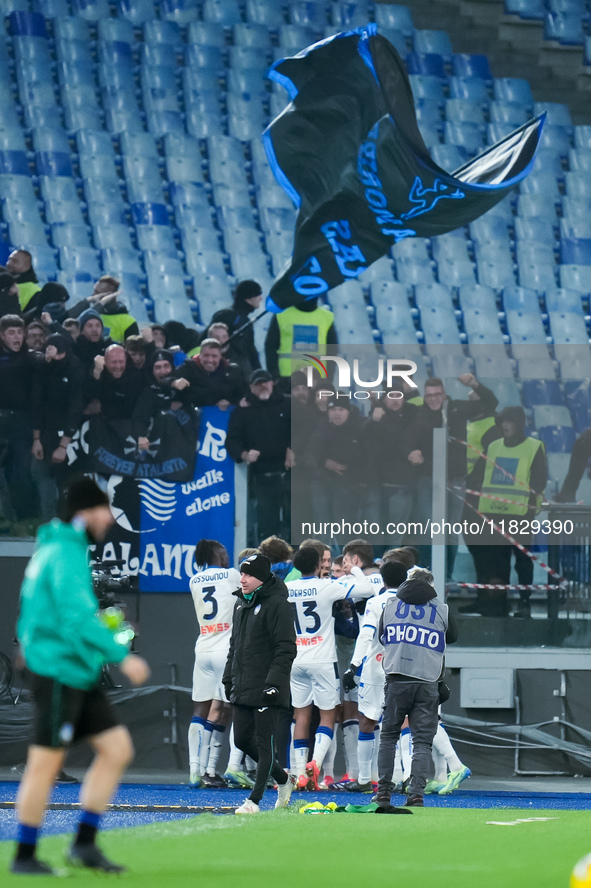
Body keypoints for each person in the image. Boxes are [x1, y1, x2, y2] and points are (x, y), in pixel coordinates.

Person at [11, 477, 150, 875]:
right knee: (44, 764)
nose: (109, 518)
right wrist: (123, 656)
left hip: (74, 669)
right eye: (105, 509)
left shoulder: (55, 548)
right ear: (86, 511)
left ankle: (84, 846)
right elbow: (74, 619)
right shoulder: (65, 553)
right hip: (60, 672)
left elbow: (58, 613)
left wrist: (115, 632)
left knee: (117, 749)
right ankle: (24, 857)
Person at [287, 546, 373, 791]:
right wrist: (354, 568)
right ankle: (315, 763)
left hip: (296, 658)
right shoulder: (327, 587)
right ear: (318, 565)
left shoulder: (287, 588)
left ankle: (299, 772)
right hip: (323, 660)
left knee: (300, 715)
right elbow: (366, 588)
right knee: (328, 715)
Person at [375, 568, 457, 808]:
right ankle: (416, 793)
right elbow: (452, 636)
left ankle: (383, 793)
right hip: (428, 682)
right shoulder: (441, 609)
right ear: (431, 586)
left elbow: (382, 636)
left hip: (397, 680)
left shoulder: (390, 606)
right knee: (422, 741)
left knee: (389, 737)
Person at [222, 553, 297, 814]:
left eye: (248, 574)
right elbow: (235, 645)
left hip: (268, 687)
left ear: (262, 578)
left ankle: (253, 801)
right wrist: (228, 677)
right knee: (242, 740)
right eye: (241, 573)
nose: (242, 579)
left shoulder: (278, 605)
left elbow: (286, 648)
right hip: (244, 684)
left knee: (265, 744)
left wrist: (274, 683)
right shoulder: (241, 603)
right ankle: (284, 780)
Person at [464, 406, 548, 618]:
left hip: (520, 515)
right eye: (503, 421)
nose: (505, 425)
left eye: (510, 422)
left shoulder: (534, 446)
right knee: (497, 562)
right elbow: (479, 475)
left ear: (519, 424)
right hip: (494, 514)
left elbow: (539, 480)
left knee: (522, 561)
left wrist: (529, 504)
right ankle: (497, 605)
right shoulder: (493, 446)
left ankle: (524, 603)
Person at [412, 374, 499, 576]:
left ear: (444, 394)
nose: (433, 399)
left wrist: (475, 384)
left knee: (450, 533)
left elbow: (491, 403)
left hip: (456, 479)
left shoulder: (458, 409)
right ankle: (425, 576)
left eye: (437, 394)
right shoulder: (419, 414)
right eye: (429, 395)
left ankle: (447, 577)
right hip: (427, 479)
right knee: (428, 531)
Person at [342, 559, 409, 792]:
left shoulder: (375, 603)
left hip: (375, 669)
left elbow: (366, 635)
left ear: (383, 580)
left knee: (367, 723)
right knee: (401, 723)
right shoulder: (413, 605)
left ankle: (362, 779)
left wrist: (353, 666)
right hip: (404, 670)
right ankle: (401, 777)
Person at [188, 539, 241, 789]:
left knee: (200, 710)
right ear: (218, 554)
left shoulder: (194, 580)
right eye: (225, 553)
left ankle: (194, 771)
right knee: (227, 709)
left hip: (203, 647)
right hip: (225, 650)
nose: (228, 557)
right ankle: (214, 768)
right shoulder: (231, 575)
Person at [226, 369, 292, 543]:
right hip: (262, 476)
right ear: (251, 387)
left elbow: (304, 431)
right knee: (267, 525)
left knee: (295, 522)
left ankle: (300, 565)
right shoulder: (242, 410)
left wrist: (294, 448)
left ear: (272, 383)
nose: (262, 387)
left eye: (265, 382)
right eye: (258, 384)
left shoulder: (288, 404)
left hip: (290, 474)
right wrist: (243, 454)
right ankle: (270, 563)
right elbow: (231, 440)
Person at [30, 333, 83, 522]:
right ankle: (47, 524)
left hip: (69, 434)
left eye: (59, 354)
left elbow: (75, 408)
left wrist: (63, 445)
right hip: (46, 432)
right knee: (40, 474)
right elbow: (37, 403)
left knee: (67, 484)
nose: (56, 358)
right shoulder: (43, 367)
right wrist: (37, 439)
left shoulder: (75, 367)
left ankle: (68, 528)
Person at [0, 314, 42, 522]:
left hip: (23, 424)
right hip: (2, 421)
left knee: (22, 473)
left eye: (19, 332)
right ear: (2, 336)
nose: (17, 337)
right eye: (11, 333)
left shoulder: (31, 359)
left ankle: (25, 520)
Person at [264, 297, 336, 386]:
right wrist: (275, 376)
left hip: (316, 380)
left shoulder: (327, 317)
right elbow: (270, 347)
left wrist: (328, 379)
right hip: (287, 380)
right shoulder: (281, 315)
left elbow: (332, 351)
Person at [131, 348, 194, 449]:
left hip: (187, 444)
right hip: (163, 448)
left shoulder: (183, 384)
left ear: (172, 367)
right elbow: (139, 417)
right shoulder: (149, 392)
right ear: (152, 371)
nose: (163, 371)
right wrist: (140, 436)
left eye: (166, 366)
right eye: (158, 367)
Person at [209, 279, 263, 379]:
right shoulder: (226, 316)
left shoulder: (245, 320)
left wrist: (258, 374)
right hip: (227, 374)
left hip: (244, 373)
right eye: (258, 294)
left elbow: (251, 351)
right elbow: (207, 342)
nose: (261, 298)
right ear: (248, 297)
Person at [178, 338, 245, 409]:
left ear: (220, 356)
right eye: (206, 355)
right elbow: (168, 381)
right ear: (200, 355)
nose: (210, 360)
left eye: (214, 356)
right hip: (193, 414)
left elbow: (244, 395)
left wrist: (230, 402)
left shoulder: (232, 371)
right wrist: (174, 383)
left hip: (221, 415)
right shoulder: (188, 368)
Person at [84, 344, 145, 420]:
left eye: (121, 362)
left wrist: (102, 408)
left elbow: (130, 408)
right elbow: (87, 395)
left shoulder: (134, 376)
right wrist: (96, 375)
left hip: (124, 421)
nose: (118, 366)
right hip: (99, 418)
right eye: (114, 362)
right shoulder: (99, 368)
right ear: (105, 361)